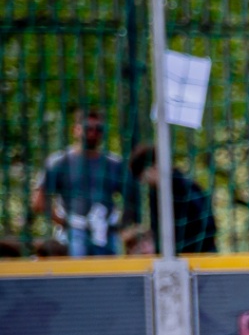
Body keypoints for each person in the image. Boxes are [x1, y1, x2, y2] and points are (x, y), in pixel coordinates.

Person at [32, 105, 135, 257]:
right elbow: (38, 201)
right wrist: (65, 222)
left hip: (107, 232)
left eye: (99, 129)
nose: (93, 133)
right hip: (73, 233)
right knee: (75, 268)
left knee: (111, 270)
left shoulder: (115, 164)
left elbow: (131, 198)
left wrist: (121, 226)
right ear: (76, 129)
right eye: (88, 128)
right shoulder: (60, 162)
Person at [128, 142, 219, 254]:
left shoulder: (185, 188)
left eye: (144, 177)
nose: (144, 183)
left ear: (154, 167)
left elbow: (207, 225)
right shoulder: (156, 194)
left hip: (198, 255)